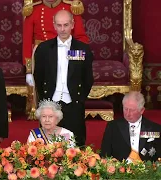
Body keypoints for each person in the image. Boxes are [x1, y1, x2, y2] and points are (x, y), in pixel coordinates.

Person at [33, 10, 93, 147]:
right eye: (59, 25)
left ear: (72, 24)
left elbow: (88, 78)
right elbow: (39, 77)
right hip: (50, 104)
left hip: (73, 103)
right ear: (54, 25)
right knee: (46, 146)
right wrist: (45, 99)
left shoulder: (83, 49)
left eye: (66, 25)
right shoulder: (44, 48)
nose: (62, 29)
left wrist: (79, 98)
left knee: (76, 145)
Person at [23, 0, 89, 86]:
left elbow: (81, 39)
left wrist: (74, 61)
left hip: (67, 53)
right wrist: (29, 71)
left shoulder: (71, 8)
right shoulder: (33, 10)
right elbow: (27, 42)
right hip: (42, 56)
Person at [101, 91, 161, 162]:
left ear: (142, 110)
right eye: (125, 109)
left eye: (132, 110)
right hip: (119, 170)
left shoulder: (155, 129)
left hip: (146, 170)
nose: (128, 113)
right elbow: (105, 154)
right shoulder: (112, 127)